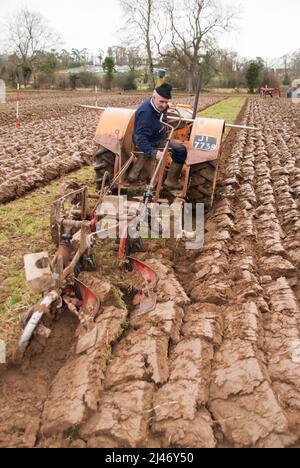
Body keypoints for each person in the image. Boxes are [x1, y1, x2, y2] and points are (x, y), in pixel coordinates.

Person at [128, 82, 187, 190]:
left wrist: (166, 106)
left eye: (166, 102)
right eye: (161, 101)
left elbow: (162, 106)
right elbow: (140, 139)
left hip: (156, 137)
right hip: (149, 141)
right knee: (181, 149)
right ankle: (170, 181)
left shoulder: (156, 105)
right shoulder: (146, 114)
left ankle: (170, 180)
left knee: (179, 149)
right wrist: (153, 152)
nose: (164, 105)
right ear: (154, 97)